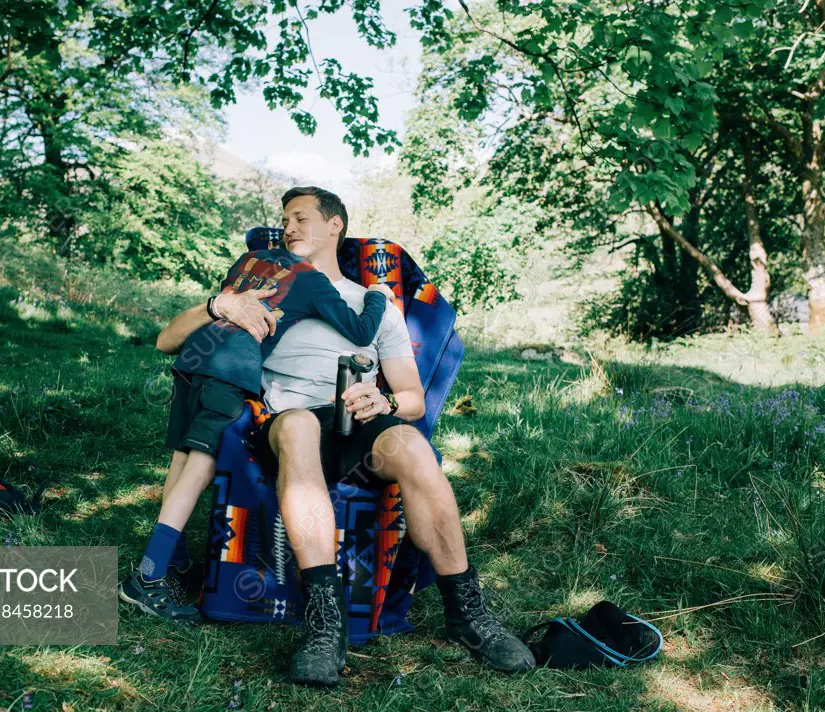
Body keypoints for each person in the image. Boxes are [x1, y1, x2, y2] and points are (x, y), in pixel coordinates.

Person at [155, 186, 536, 684]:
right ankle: (325, 626)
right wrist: (221, 305)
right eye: (285, 220)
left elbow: (412, 396)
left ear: (335, 225)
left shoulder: (375, 305)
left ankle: (469, 615)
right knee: (298, 427)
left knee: (414, 449)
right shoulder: (264, 291)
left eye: (302, 218)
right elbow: (169, 339)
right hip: (286, 422)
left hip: (358, 422)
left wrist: (387, 403)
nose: (290, 228)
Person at [119, 242, 396, 622]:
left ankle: (174, 560)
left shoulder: (250, 261)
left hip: (195, 358)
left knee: (181, 459)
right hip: (231, 369)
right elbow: (360, 330)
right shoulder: (312, 280)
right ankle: (148, 577)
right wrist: (379, 296)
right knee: (200, 466)